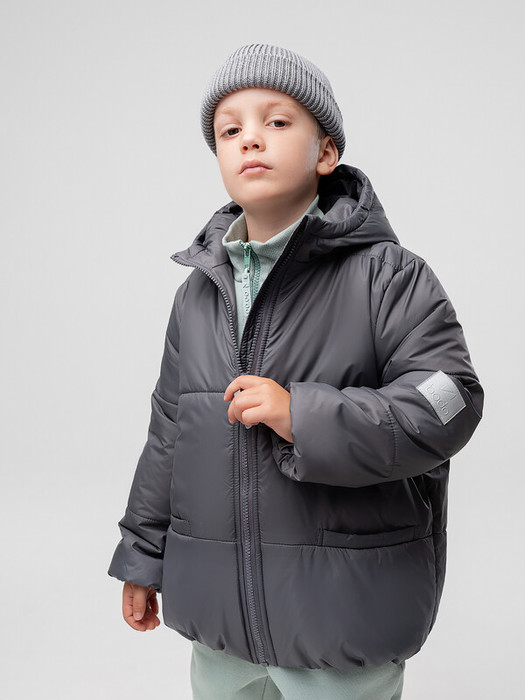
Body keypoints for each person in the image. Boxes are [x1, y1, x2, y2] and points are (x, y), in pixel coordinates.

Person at [108, 43, 484, 699]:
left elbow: (450, 400)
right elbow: (168, 434)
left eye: (277, 121)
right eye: (230, 130)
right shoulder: (198, 296)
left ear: (325, 152)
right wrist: (143, 554)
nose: (250, 138)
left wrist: (302, 416)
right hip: (221, 624)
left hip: (342, 618)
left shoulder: (388, 278)